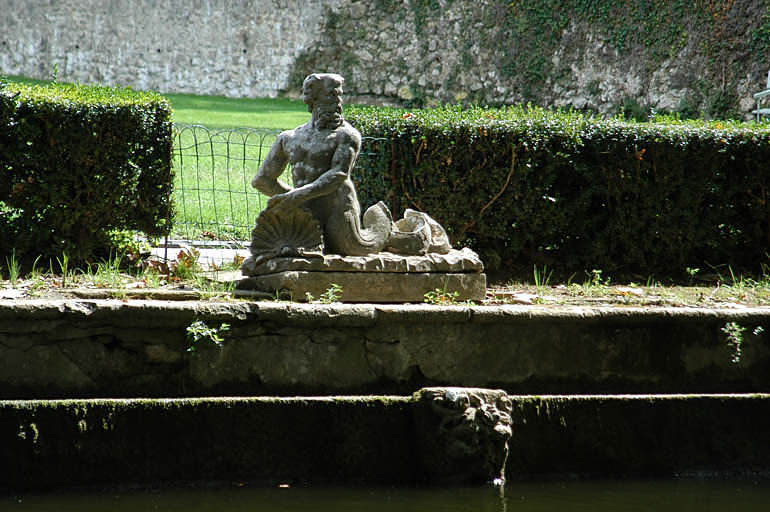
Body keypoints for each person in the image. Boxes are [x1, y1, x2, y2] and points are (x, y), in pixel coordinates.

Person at [252, 73, 394, 255]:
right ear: (313, 97)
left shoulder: (346, 136)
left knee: (358, 249)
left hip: (338, 212)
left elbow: (338, 174)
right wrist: (293, 199)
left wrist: (298, 196)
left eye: (339, 95)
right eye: (331, 94)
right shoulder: (288, 138)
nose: (338, 101)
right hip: (307, 214)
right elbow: (262, 180)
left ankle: (405, 234)